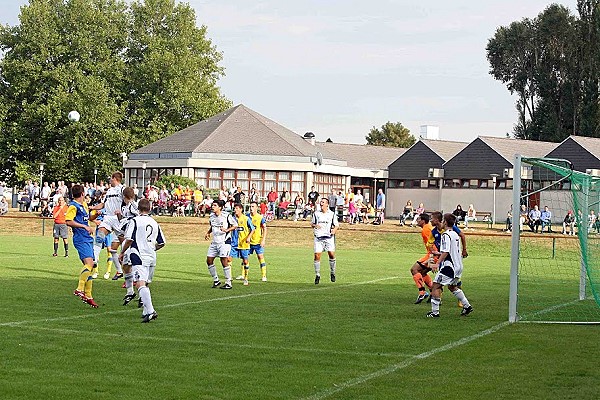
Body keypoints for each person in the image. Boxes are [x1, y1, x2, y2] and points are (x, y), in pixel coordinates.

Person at [119, 198, 166, 323]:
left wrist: (122, 252)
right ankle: (146, 311)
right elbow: (162, 242)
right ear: (150, 209)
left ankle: (150, 311)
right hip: (151, 256)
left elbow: (128, 239)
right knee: (145, 284)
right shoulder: (155, 222)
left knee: (140, 284)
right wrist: (152, 249)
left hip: (139, 256)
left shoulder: (135, 221)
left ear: (138, 209)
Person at [426, 213, 473, 318]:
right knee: (452, 286)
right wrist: (438, 254)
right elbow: (450, 251)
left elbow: (446, 251)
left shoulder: (445, 235)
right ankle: (467, 306)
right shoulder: (455, 234)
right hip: (458, 265)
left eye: (443, 221)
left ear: (445, 222)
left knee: (435, 286)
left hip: (450, 267)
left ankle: (435, 312)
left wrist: (437, 263)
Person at [65, 184, 98, 308]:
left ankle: (88, 295)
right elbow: (68, 221)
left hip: (87, 238)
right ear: (83, 193)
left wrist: (95, 217)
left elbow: (87, 218)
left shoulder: (83, 205)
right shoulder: (73, 206)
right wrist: (84, 226)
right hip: (81, 238)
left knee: (91, 266)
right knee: (89, 264)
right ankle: (79, 289)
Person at [91, 171, 125, 280]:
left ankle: (121, 271)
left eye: (111, 178)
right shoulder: (109, 191)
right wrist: (93, 208)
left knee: (119, 248)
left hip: (119, 219)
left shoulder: (122, 189)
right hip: (108, 218)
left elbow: (129, 201)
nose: (109, 180)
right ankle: (95, 260)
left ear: (115, 178)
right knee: (99, 236)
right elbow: (103, 204)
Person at [205, 199, 238, 289]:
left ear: (220, 207)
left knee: (223, 260)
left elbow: (235, 225)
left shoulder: (226, 216)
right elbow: (213, 226)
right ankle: (216, 281)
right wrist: (208, 232)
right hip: (215, 241)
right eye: (212, 205)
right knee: (209, 260)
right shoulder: (211, 216)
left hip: (224, 241)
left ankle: (228, 282)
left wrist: (227, 230)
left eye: (215, 205)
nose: (212, 207)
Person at [311, 197, 339, 284]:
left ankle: (332, 272)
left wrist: (334, 230)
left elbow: (337, 225)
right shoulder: (316, 214)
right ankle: (317, 275)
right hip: (318, 237)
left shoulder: (332, 214)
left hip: (329, 237)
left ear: (327, 204)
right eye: (321, 202)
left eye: (323, 202)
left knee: (331, 254)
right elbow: (312, 224)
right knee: (317, 256)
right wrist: (315, 225)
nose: (321, 204)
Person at [410, 213, 435, 304]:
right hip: (433, 254)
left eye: (419, 219)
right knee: (422, 272)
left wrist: (432, 259)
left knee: (414, 269)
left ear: (423, 221)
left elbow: (434, 244)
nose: (417, 221)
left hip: (432, 255)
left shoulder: (426, 230)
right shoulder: (428, 227)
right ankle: (433, 292)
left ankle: (422, 292)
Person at [231, 203, 255, 286]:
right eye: (235, 208)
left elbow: (252, 229)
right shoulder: (232, 218)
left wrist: (248, 237)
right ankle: (229, 277)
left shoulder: (246, 218)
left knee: (245, 260)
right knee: (228, 259)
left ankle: (246, 278)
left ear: (241, 209)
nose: (235, 210)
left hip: (243, 243)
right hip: (234, 243)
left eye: (237, 208)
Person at [247, 201, 268, 282]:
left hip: (258, 241)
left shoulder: (260, 217)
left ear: (256, 208)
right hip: (248, 241)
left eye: (253, 206)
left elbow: (265, 228)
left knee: (260, 257)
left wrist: (263, 240)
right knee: (245, 258)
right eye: (250, 206)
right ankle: (243, 275)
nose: (251, 208)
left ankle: (264, 276)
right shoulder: (247, 217)